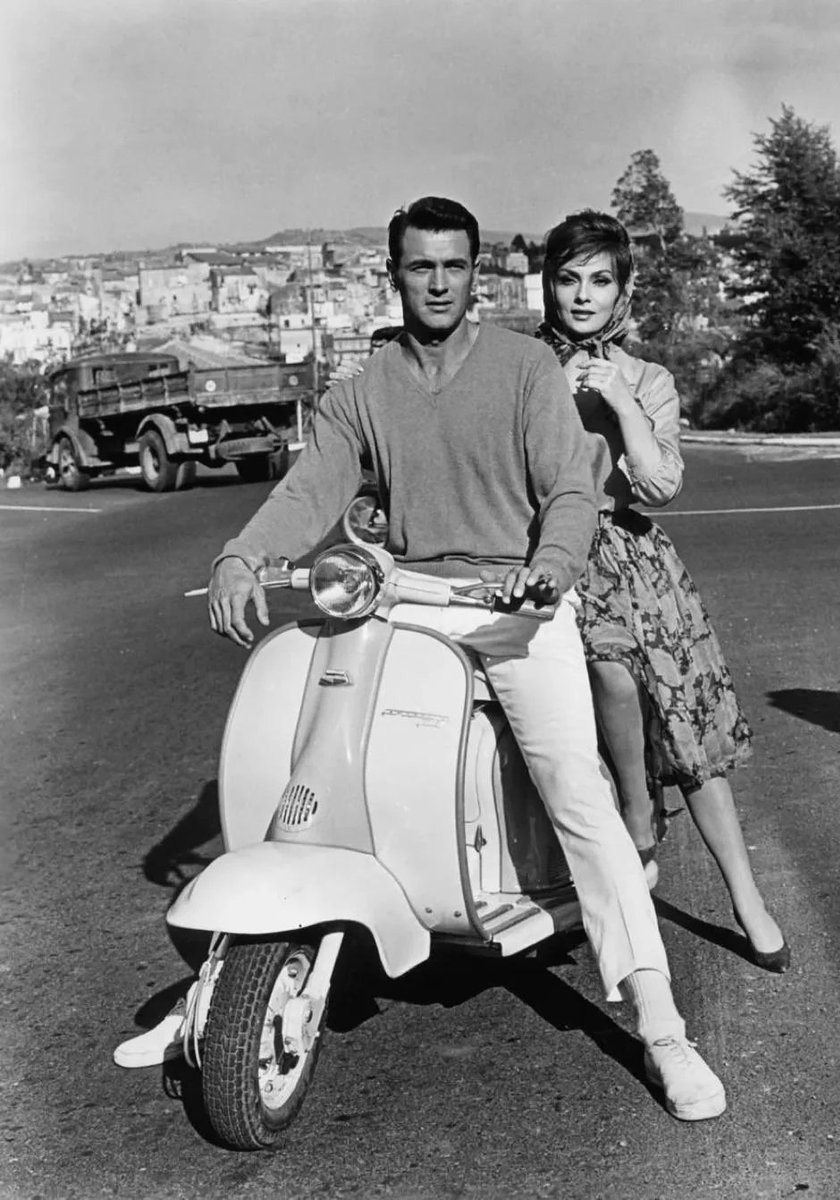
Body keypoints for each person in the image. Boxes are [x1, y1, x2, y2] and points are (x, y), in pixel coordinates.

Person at [115, 196, 726, 1122]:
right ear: (393, 274)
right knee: (318, 724)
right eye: (418, 266)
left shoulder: (523, 368)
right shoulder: (364, 387)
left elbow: (568, 486)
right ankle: (235, 964)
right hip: (404, 593)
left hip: (516, 602)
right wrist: (239, 554)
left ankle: (662, 1026)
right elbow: (312, 480)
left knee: (576, 793)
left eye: (452, 266)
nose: (436, 282)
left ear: (475, 274)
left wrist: (550, 571)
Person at [537, 209, 789, 972]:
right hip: (550, 553)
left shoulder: (649, 378)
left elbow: (662, 484)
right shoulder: (519, 370)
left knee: (691, 729)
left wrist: (618, 402)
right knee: (608, 667)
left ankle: (745, 897)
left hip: (633, 556)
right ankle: (636, 814)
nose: (583, 296)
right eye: (569, 279)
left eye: (599, 281)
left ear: (623, 290)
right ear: (547, 285)